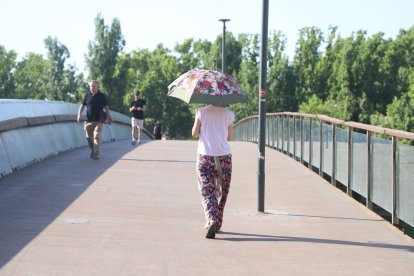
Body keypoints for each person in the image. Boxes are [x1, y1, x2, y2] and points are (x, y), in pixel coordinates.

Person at [192, 104, 235, 239]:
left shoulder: (201, 112)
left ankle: (211, 218)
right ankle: (218, 221)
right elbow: (230, 138)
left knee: (206, 189)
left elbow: (194, 134)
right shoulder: (229, 114)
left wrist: (198, 119)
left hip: (205, 156)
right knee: (223, 190)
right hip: (224, 157)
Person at [77, 80, 111, 160]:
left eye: (94, 86)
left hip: (99, 120)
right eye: (91, 86)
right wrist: (79, 114)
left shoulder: (102, 96)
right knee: (89, 137)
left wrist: (107, 117)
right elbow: (82, 106)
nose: (92, 88)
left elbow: (106, 107)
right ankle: (93, 149)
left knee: (97, 137)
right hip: (88, 121)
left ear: (97, 87)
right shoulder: (87, 95)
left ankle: (96, 153)